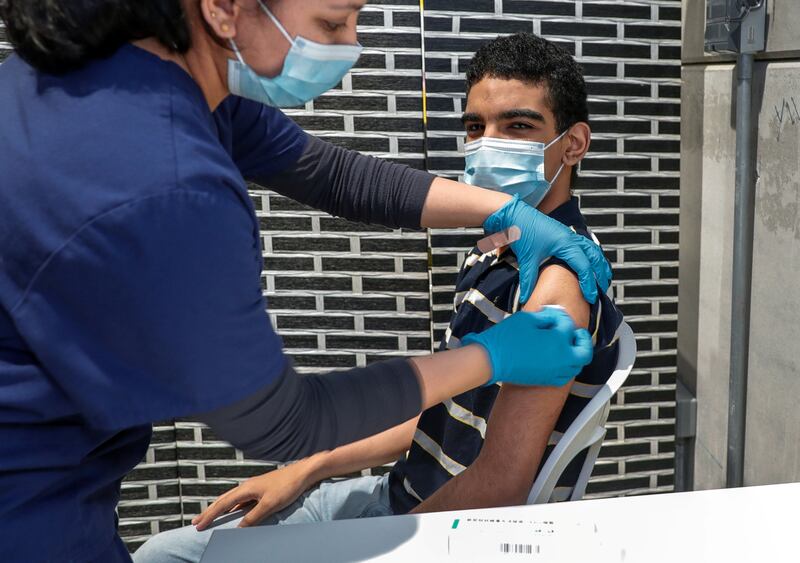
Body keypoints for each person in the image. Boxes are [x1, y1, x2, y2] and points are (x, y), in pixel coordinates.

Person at [0, 2, 612, 561]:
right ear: (221, 9)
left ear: (574, 142)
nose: (351, 44)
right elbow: (282, 420)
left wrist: (499, 213)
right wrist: (312, 464)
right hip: (29, 495)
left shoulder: (556, 276)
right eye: (331, 24)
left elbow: (333, 174)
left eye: (518, 127)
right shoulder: (171, 184)